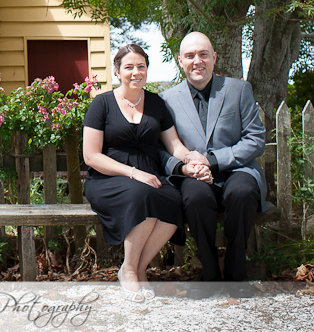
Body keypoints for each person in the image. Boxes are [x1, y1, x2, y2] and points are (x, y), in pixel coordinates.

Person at [83, 43, 211, 301]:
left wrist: (193, 160)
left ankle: (140, 269)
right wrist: (132, 172)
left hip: (149, 176)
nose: (135, 72)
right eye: (128, 67)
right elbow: (91, 156)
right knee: (143, 194)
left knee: (173, 200)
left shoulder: (156, 103)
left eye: (141, 66)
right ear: (117, 71)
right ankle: (128, 269)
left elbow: (173, 145)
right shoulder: (102, 104)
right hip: (110, 176)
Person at [160, 32, 266, 281]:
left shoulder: (238, 89)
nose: (197, 61)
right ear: (180, 61)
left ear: (214, 58)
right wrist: (186, 168)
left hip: (236, 171)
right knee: (195, 198)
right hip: (193, 177)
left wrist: (212, 160)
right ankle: (209, 270)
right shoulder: (167, 100)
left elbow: (255, 140)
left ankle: (236, 267)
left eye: (203, 54)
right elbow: (161, 150)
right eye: (190, 55)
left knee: (242, 192)